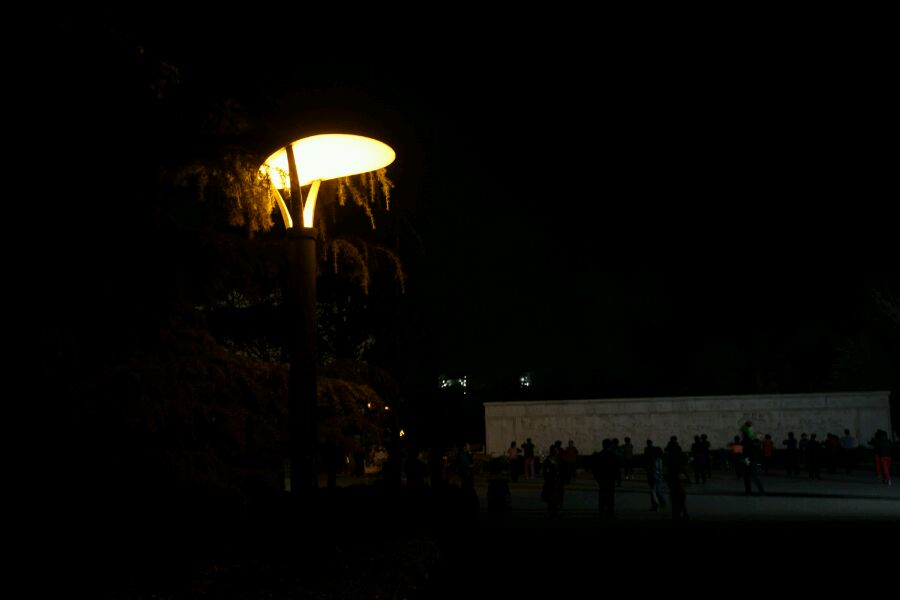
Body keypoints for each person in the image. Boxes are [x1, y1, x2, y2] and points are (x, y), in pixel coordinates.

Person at [591, 438, 619, 521]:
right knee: (610, 497)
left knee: (602, 496)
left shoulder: (600, 455)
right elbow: (616, 468)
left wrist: (598, 479)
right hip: (610, 479)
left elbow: (595, 469)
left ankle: (602, 513)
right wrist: (616, 478)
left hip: (602, 479)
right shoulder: (612, 455)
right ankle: (610, 512)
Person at [644, 439, 667, 511]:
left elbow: (652, 469)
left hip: (653, 476)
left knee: (653, 491)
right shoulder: (660, 460)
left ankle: (656, 505)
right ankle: (662, 503)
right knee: (658, 491)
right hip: (659, 476)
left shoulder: (653, 461)